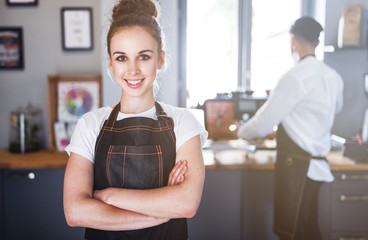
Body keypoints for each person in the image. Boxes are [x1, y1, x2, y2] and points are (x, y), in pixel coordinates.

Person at [63, 0, 208, 239]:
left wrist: (109, 197)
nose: (132, 70)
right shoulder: (90, 124)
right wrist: (161, 211)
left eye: (143, 57)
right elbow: (75, 211)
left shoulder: (183, 122)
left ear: (161, 59)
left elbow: (187, 203)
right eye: (121, 58)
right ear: (110, 62)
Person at [238, 16, 344, 240]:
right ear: (317, 42)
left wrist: (241, 132)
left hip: (297, 165)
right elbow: (335, 109)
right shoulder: (333, 77)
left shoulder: (294, 77)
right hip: (318, 165)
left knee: (291, 232)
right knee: (310, 230)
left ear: (293, 41)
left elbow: (263, 122)